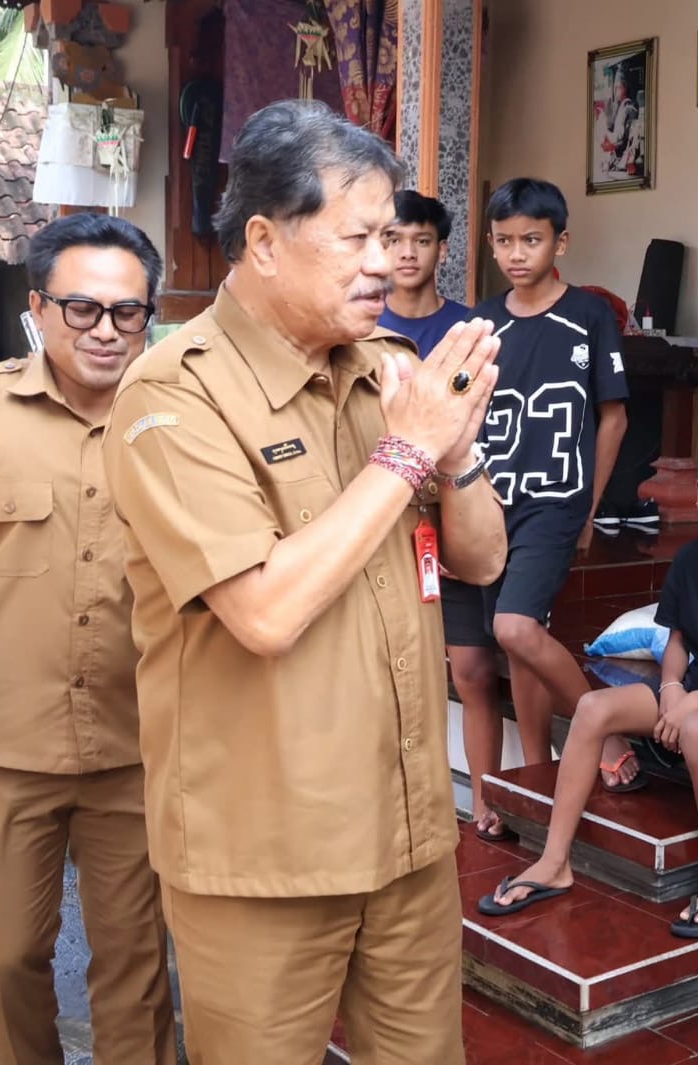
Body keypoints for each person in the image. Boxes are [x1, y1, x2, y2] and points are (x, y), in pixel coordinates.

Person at [102, 100, 508, 1063]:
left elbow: (483, 560)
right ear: (265, 240)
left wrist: (452, 456)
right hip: (265, 857)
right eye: (360, 237)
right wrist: (410, 450)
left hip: (408, 832)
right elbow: (267, 610)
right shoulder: (176, 394)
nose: (387, 262)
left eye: (397, 237)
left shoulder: (390, 370)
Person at [0, 214, 177, 1065]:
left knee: (137, 964)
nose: (105, 330)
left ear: (149, 315)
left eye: (126, 312)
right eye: (82, 308)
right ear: (37, 307)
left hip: (138, 746)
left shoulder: (181, 422)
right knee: (3, 952)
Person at [477, 430, 698, 937]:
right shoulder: (689, 559)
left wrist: (692, 701)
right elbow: (676, 640)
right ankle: (553, 861)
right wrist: (673, 688)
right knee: (593, 708)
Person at [447, 177, 628, 843]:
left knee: (518, 629)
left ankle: (598, 724)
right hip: (483, 503)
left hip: (553, 502)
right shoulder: (482, 325)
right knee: (510, 652)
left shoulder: (588, 315)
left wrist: (590, 507)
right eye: (504, 241)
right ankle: (529, 780)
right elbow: (457, 409)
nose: (517, 253)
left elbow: (613, 417)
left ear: (561, 241)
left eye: (532, 239)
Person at [379, 189, 470, 355]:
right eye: (394, 241)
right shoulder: (363, 324)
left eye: (422, 241)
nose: (408, 253)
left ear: (441, 251)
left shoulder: (467, 326)